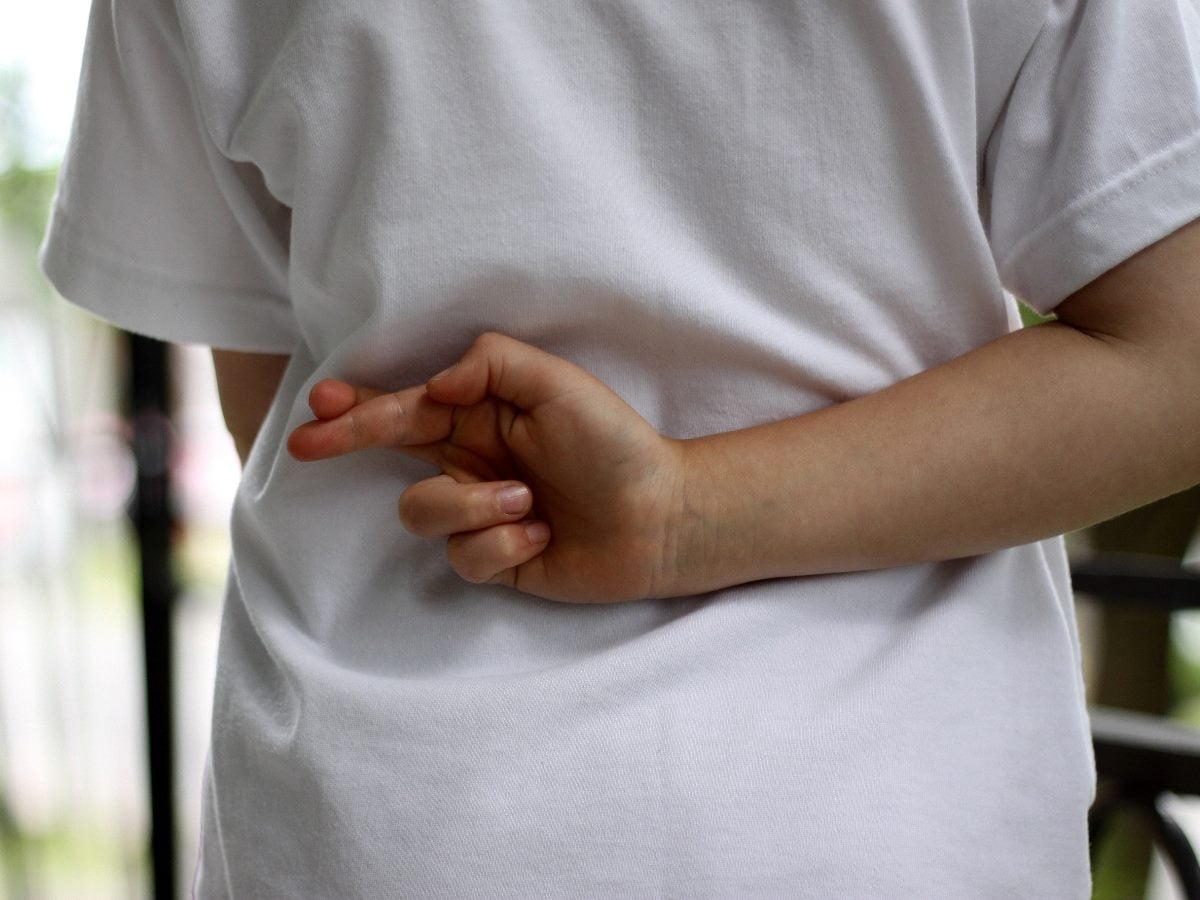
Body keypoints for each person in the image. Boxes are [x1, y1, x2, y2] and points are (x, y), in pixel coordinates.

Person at [40, 0, 1200, 895]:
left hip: (391, 816)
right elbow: (1177, 357)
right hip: (884, 814)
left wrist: (672, 510)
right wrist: (685, 510)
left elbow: (290, 404)